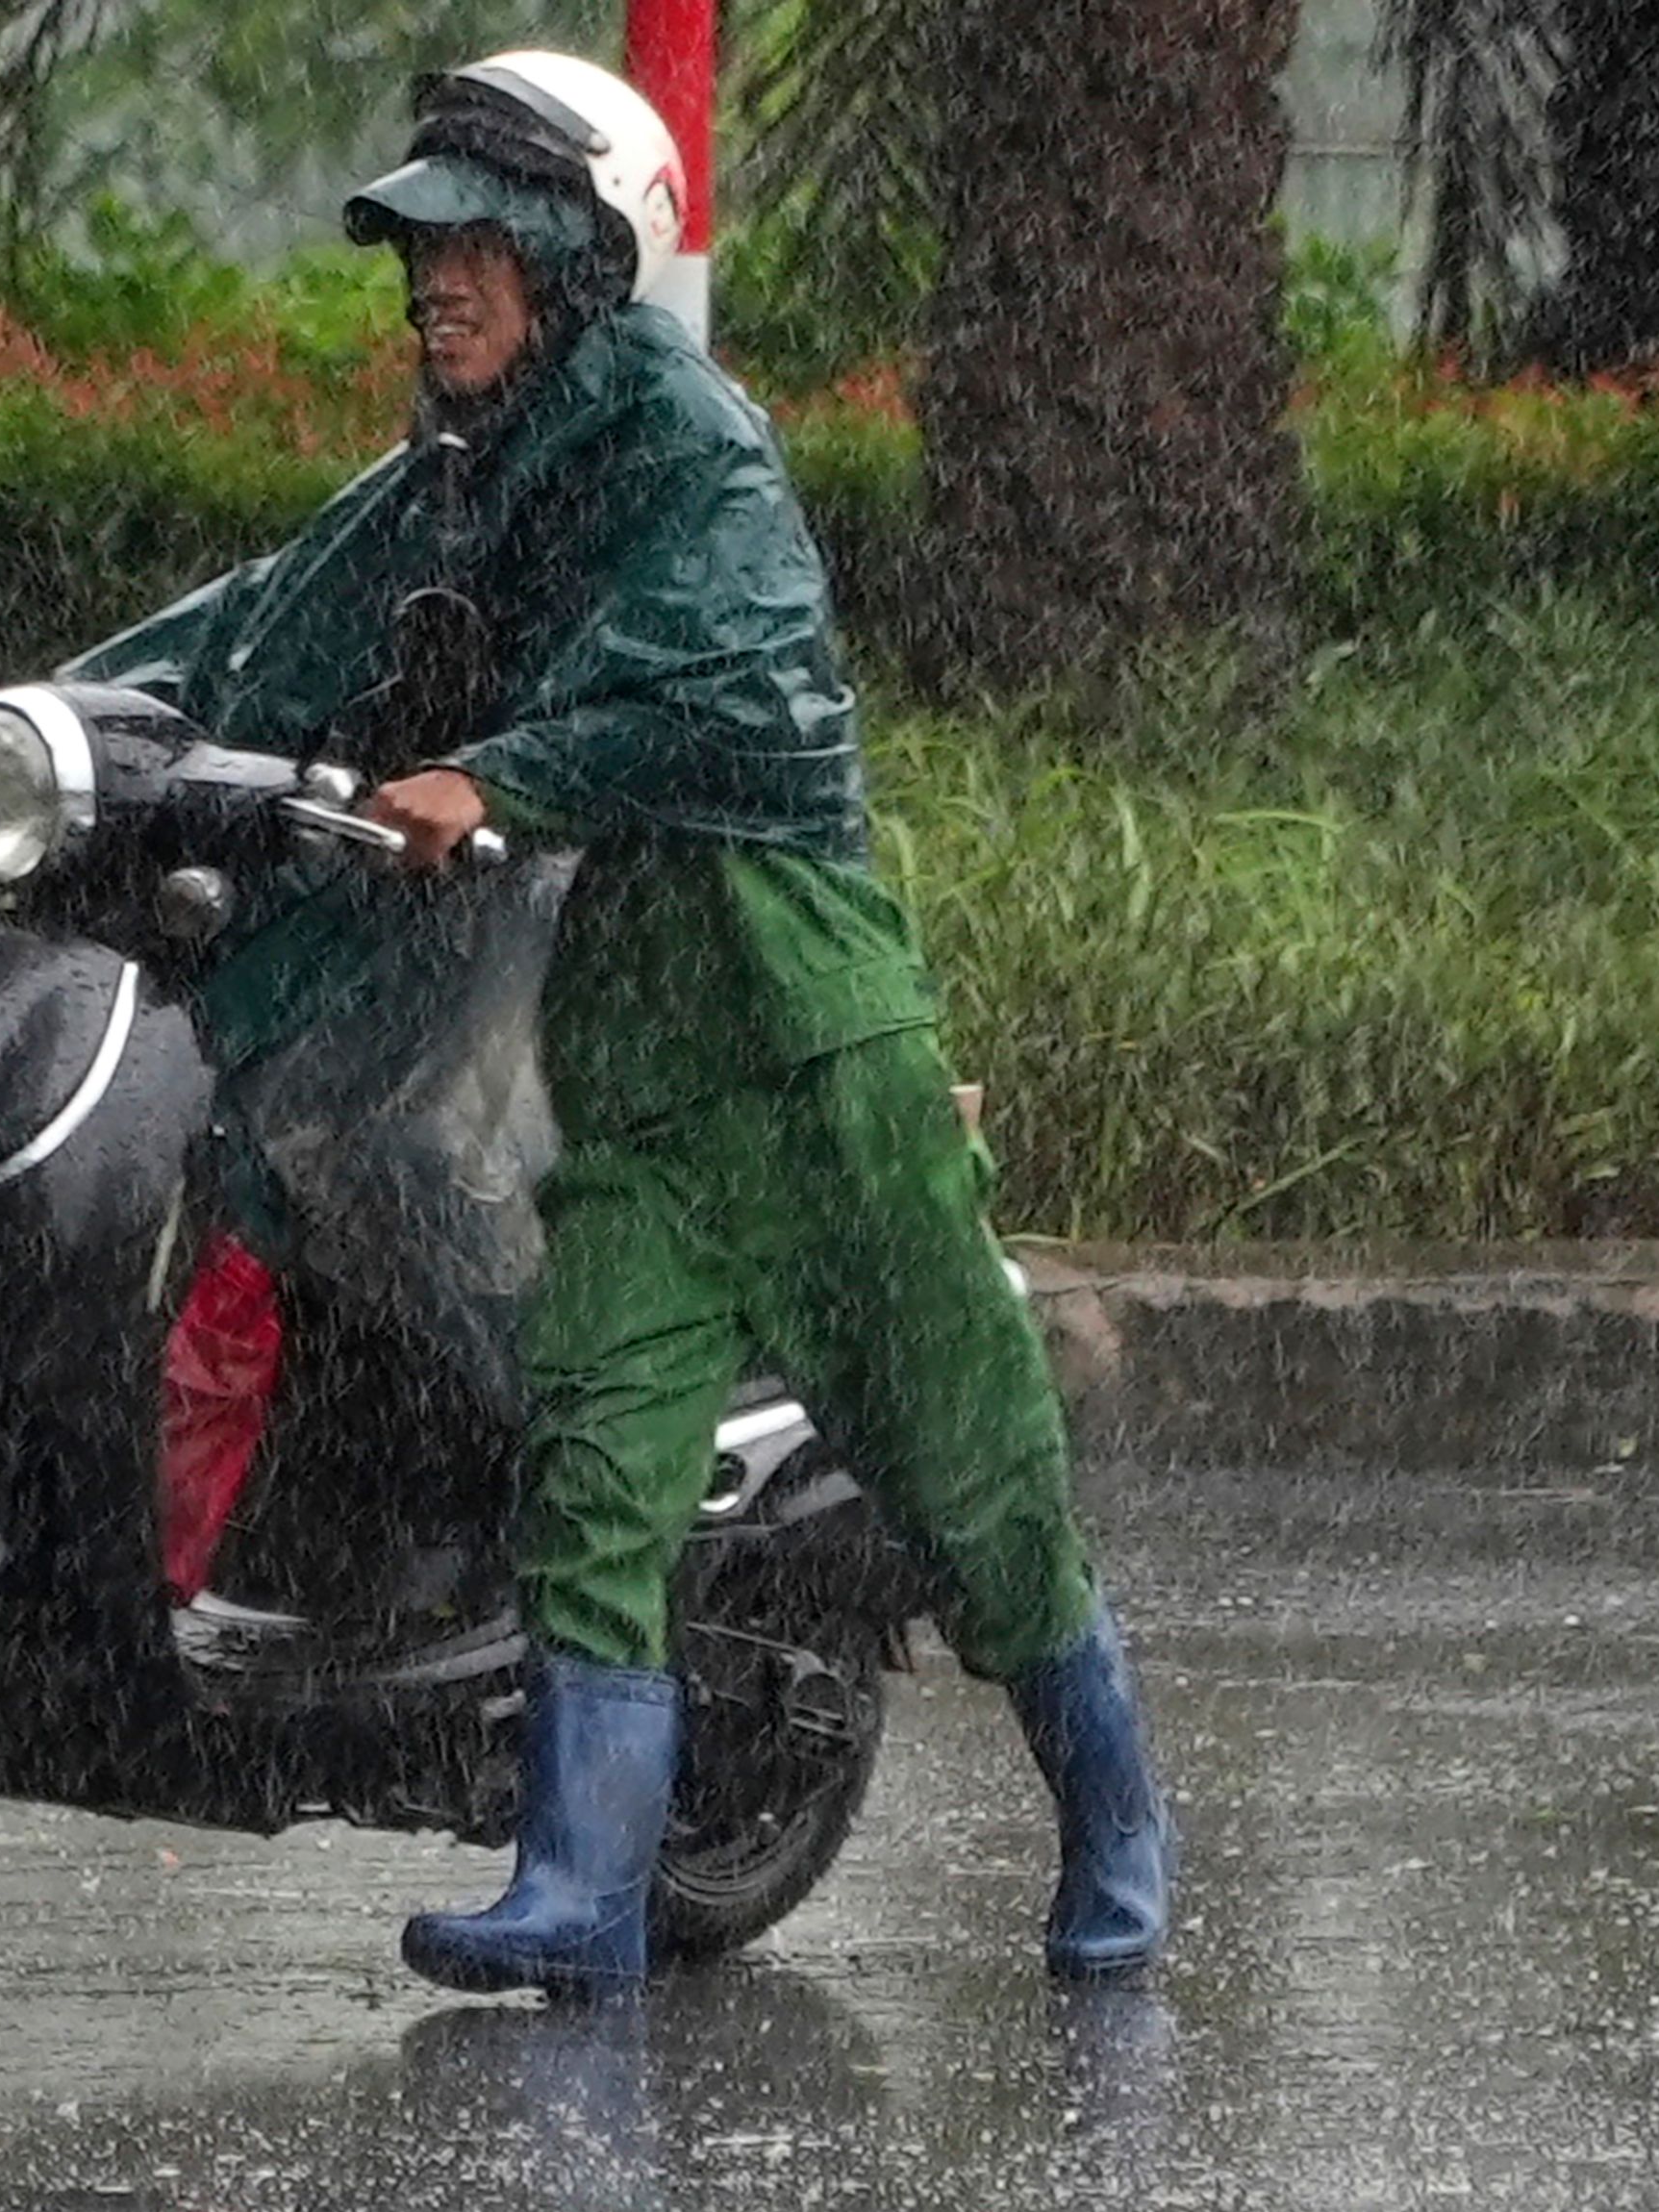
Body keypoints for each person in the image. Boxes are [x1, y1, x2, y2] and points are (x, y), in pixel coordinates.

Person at [307, 55, 1179, 1995]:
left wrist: (502, 767)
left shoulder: (695, 450)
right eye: (419, 250)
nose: (433, 283)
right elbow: (280, 622)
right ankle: (581, 1889)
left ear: (571, 258)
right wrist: (5, 738)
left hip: (819, 1068)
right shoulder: (467, 472)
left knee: (978, 1482)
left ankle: (1118, 1820)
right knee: (598, 1475)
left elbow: (714, 693)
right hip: (645, 1095)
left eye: (472, 245)